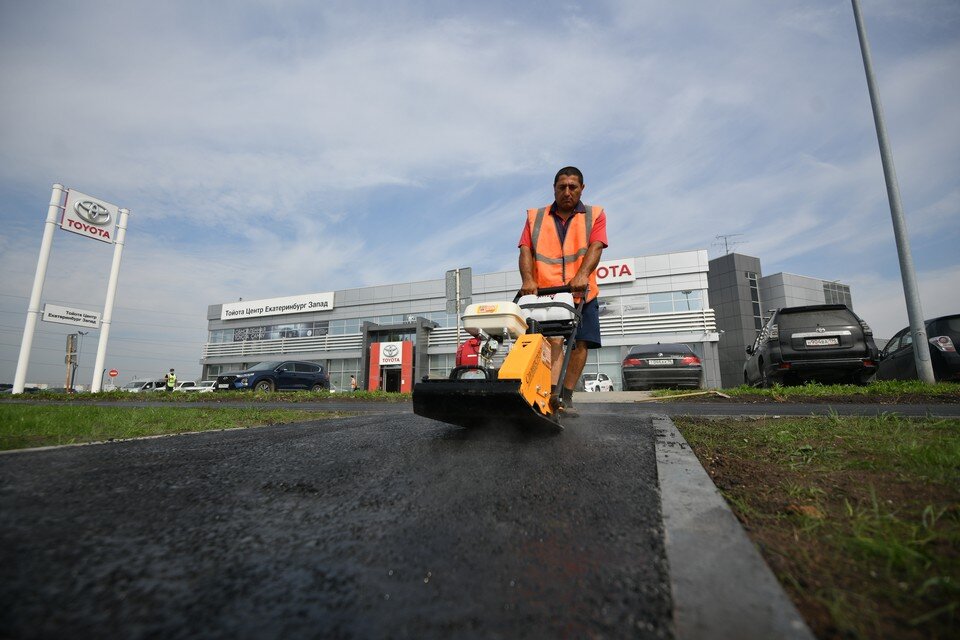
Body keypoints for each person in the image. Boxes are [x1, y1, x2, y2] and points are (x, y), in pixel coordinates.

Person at [518, 166, 607, 417]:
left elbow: (596, 246)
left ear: (581, 189)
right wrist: (528, 279)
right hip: (547, 293)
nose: (567, 191)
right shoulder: (536, 217)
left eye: (573, 187)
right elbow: (525, 250)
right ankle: (547, 395)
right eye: (562, 187)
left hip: (582, 291)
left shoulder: (594, 215)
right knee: (553, 340)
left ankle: (565, 397)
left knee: (581, 343)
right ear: (554, 188)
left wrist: (581, 275)